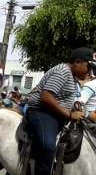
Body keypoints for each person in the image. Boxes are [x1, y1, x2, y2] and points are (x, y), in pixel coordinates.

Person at [26, 47, 93, 175]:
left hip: (55, 113)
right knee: (48, 145)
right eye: (88, 67)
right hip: (41, 112)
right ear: (78, 62)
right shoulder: (63, 71)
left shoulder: (72, 77)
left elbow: (61, 98)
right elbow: (46, 96)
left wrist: (73, 107)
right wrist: (69, 114)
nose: (90, 71)